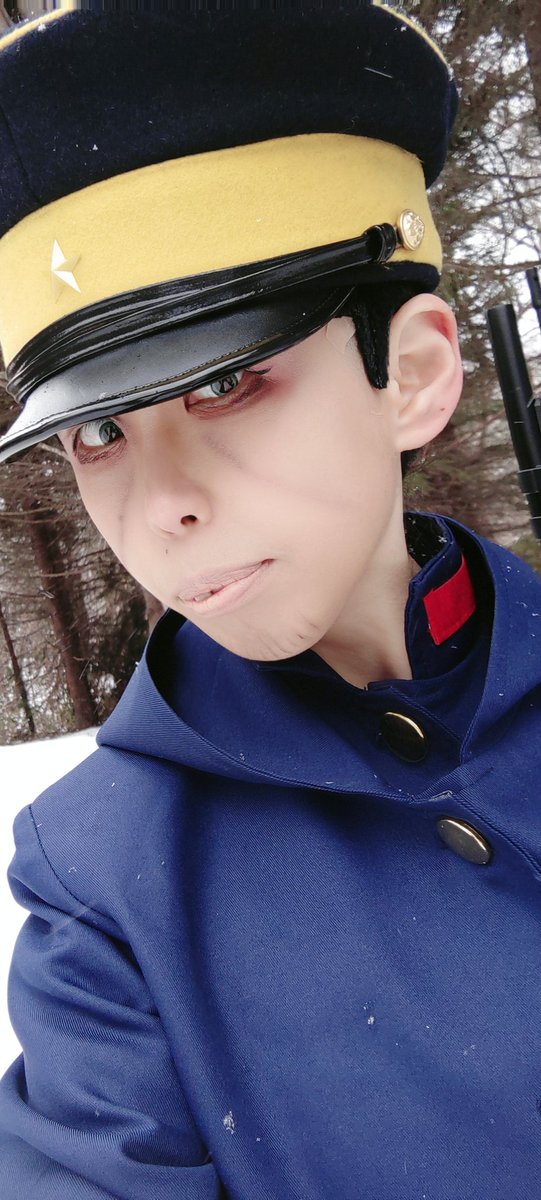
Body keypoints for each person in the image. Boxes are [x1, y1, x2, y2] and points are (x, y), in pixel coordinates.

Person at [0, 4, 540, 1198]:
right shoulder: (106, 885)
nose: (162, 507)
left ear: (413, 374)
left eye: (229, 381)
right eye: (99, 432)